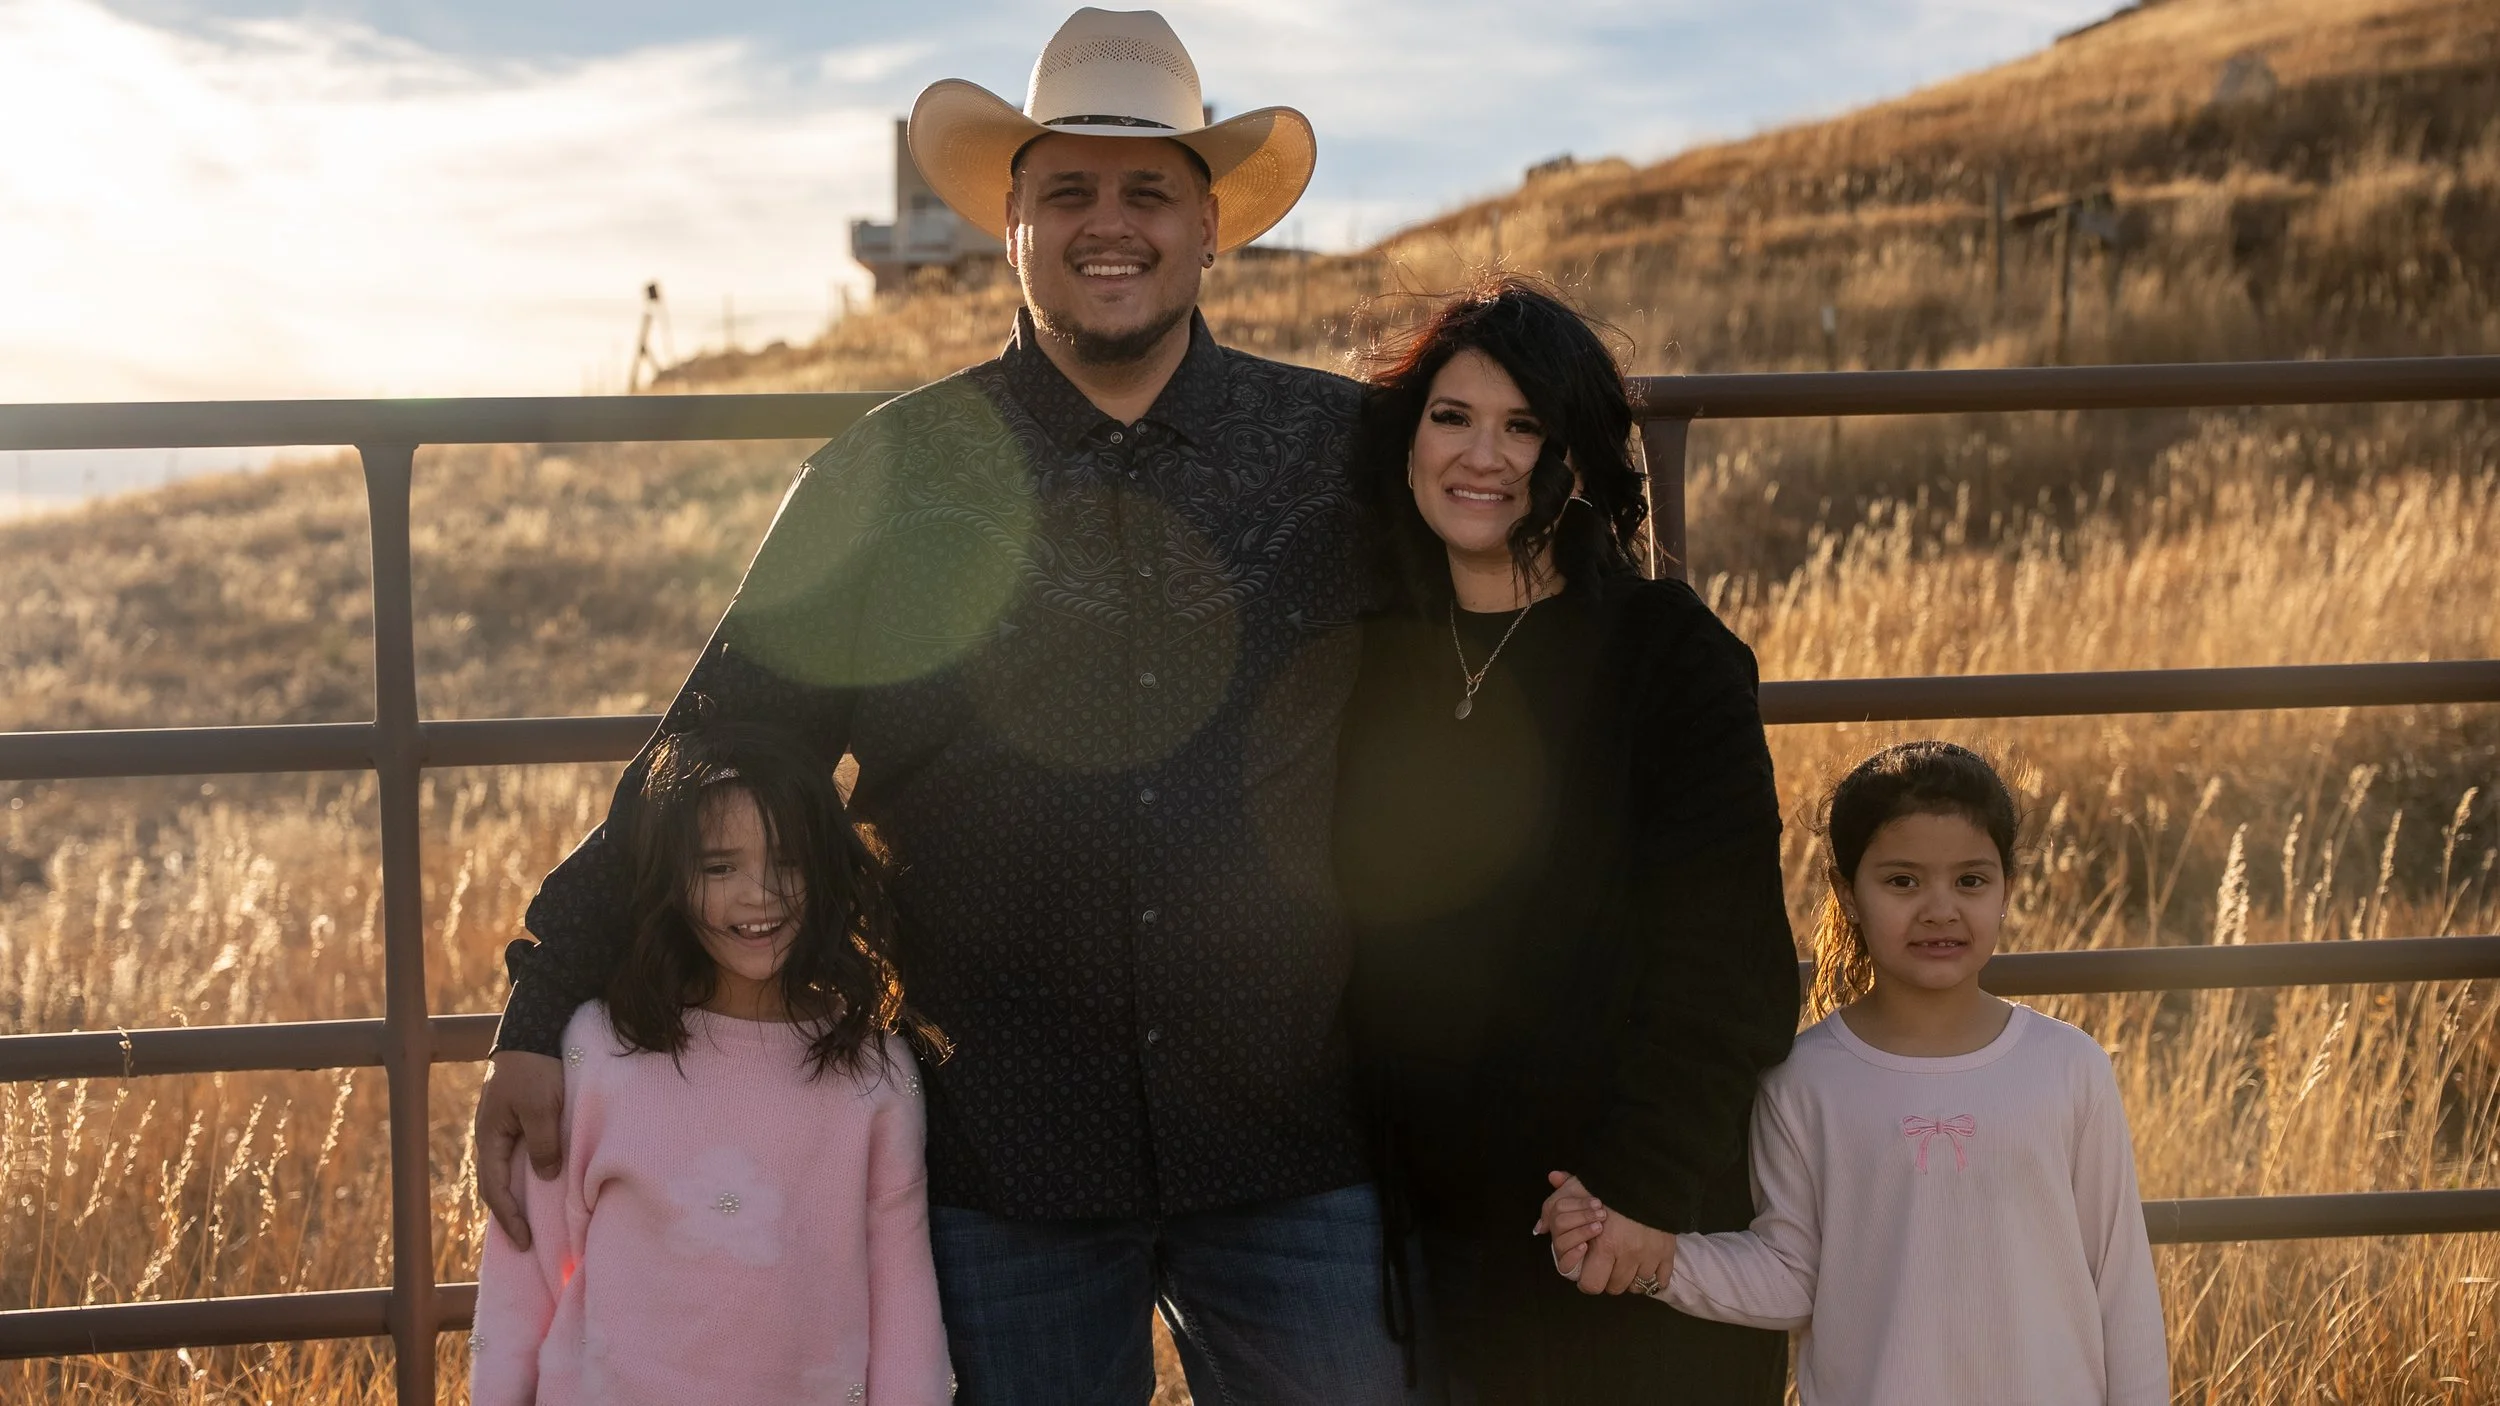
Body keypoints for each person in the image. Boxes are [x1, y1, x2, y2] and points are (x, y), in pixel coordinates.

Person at [471, 9, 1411, 1403]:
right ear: (1012, 225)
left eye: (1148, 190)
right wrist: (545, 1000)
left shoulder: (1340, 451)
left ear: (1211, 224)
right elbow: (723, 739)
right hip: (1001, 1140)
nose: (1111, 225)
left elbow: (1507, 681)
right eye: (1067, 193)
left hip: (1288, 1125)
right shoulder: (897, 472)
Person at [1332, 276, 1799, 1403]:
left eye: (1525, 425)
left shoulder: (1666, 657)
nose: (1481, 456)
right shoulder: (1366, 655)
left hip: (1609, 1225)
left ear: (1578, 455)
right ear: (1407, 443)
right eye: (1451, 417)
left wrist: (1636, 1186)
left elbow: (1730, 966)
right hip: (1418, 1233)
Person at [1543, 740, 2172, 1405]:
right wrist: (1652, 1257)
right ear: (1846, 891)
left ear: (2007, 888)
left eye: (1971, 880)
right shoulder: (1804, 1080)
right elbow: (1792, 1276)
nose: (1940, 909)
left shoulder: (2068, 1068)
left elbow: (2122, 1287)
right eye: (1902, 880)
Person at [467, 722, 950, 1406]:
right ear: (669, 879)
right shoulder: (595, 1051)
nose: (759, 895)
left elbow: (904, 1310)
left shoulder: (876, 1072)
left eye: (787, 863)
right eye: (719, 867)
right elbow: (524, 1283)